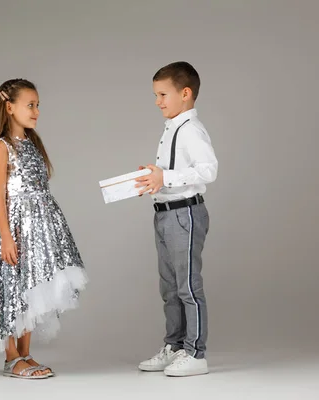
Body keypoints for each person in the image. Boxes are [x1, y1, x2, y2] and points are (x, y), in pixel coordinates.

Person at [0, 78, 88, 379]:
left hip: (39, 229)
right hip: (15, 226)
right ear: (9, 108)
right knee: (11, 287)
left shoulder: (32, 144)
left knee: (33, 288)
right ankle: (11, 357)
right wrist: (6, 236)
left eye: (38, 106)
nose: (36, 111)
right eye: (30, 105)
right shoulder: (2, 147)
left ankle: (25, 352)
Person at [135, 61, 218, 377]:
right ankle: (176, 346)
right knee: (169, 287)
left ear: (185, 93)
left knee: (187, 286)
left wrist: (165, 177)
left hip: (185, 214)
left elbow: (208, 170)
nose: (158, 102)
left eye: (162, 94)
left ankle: (196, 353)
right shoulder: (173, 126)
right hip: (166, 215)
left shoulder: (190, 129)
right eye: (156, 95)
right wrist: (155, 178)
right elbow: (170, 173)